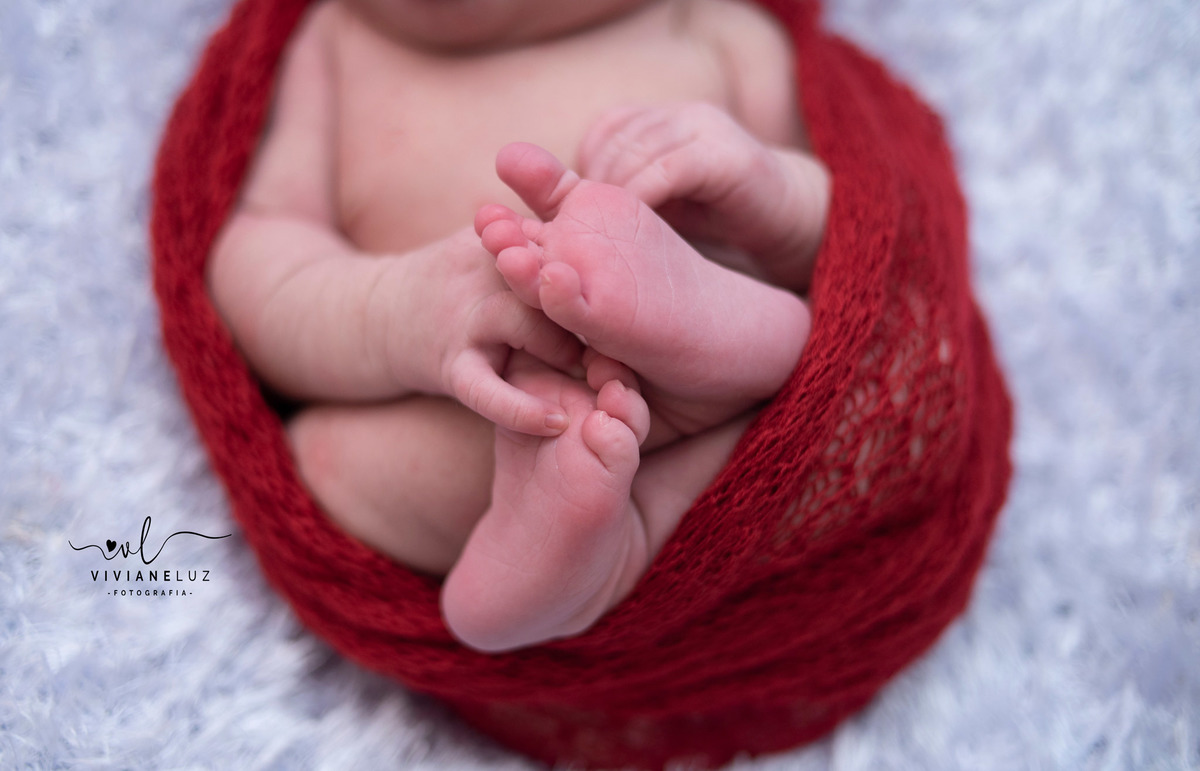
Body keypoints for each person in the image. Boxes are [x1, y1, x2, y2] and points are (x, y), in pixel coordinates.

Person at [206, 0, 830, 653]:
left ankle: (650, 492)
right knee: (324, 460)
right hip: (481, 421)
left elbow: (851, 241)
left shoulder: (718, 28)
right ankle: (572, 549)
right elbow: (259, 267)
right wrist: (390, 311)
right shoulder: (335, 42)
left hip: (726, 399)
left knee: (806, 365)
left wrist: (775, 194)